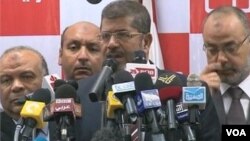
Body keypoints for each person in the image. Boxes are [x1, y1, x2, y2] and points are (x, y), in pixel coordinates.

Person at [76, 1, 221, 141]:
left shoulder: (186, 90)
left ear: (146, 42)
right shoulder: (81, 93)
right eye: (105, 36)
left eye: (122, 35)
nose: (111, 43)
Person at [200, 6, 250, 125]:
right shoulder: (196, 96)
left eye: (230, 48)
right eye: (212, 50)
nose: (221, 59)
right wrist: (200, 100)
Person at [0, 46, 54, 141]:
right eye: (6, 80)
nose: (16, 86)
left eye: (26, 77)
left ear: (46, 82)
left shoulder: (68, 121)